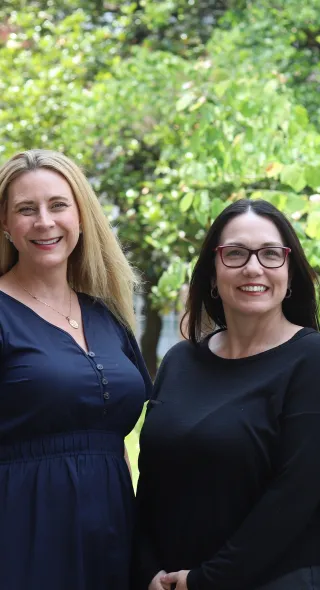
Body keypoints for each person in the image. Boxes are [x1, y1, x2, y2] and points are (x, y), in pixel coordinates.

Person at [132, 199, 320, 590]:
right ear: (211, 272)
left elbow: (294, 496)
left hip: (280, 579)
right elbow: (151, 481)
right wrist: (146, 569)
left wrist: (207, 580)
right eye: (235, 253)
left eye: (271, 254)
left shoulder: (317, 360)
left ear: (290, 275)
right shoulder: (180, 360)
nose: (253, 267)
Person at [0, 148, 151, 590]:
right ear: (5, 224)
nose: (44, 222)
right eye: (26, 210)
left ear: (82, 216)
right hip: (21, 532)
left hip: (113, 530)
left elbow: (116, 440)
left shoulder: (109, 315)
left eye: (58, 205)